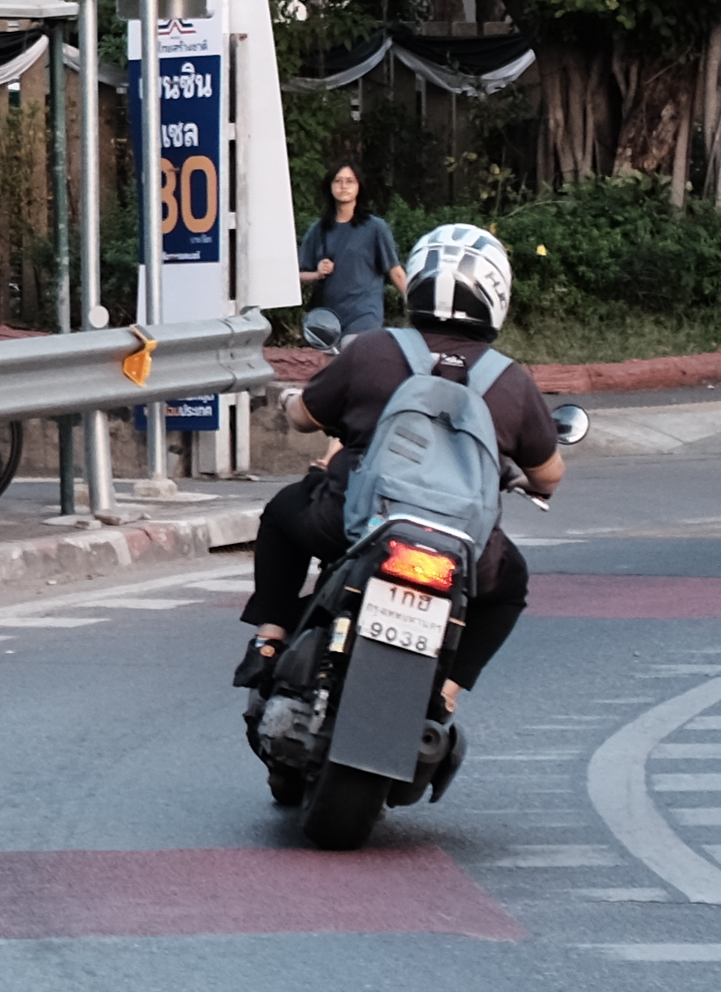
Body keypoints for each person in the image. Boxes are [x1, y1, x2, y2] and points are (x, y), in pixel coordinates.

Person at [238, 222, 560, 719]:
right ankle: (445, 695)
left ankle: (271, 637)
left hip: (359, 524)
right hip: (462, 549)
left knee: (283, 512)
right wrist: (523, 477)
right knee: (509, 585)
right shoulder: (512, 382)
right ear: (497, 296)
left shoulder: (372, 350)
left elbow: (305, 417)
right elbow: (550, 476)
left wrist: (294, 403)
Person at [294, 163, 402, 347]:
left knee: (352, 349)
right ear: (330, 186)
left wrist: (416, 305)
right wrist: (317, 274)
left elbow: (395, 271)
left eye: (350, 181)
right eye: (338, 181)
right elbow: (299, 276)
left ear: (359, 187)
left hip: (364, 314)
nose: (344, 186)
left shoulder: (375, 228)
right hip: (327, 318)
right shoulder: (318, 230)